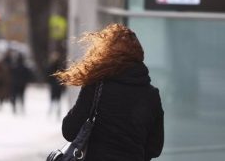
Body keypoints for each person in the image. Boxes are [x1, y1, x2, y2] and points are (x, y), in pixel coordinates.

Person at [54, 24, 164, 161]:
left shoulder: (96, 86)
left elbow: (69, 131)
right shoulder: (151, 95)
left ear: (105, 54)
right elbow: (155, 148)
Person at [47, 52, 66, 118]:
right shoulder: (60, 67)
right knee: (57, 100)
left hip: (54, 86)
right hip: (58, 86)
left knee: (53, 99)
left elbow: (48, 76)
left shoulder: (51, 66)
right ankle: (56, 112)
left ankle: (52, 112)